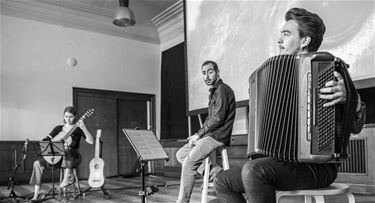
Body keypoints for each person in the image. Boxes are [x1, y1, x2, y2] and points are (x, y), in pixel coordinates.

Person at [213, 8, 366, 203]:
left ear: (304, 41)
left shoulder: (327, 71)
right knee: (222, 181)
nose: (279, 40)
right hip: (280, 162)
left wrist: (351, 99)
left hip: (318, 166)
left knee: (254, 171)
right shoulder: (273, 74)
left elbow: (356, 125)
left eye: (286, 34)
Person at [176, 60, 236, 203]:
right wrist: (198, 135)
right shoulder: (214, 92)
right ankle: (215, 171)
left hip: (217, 136)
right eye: (204, 73)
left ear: (217, 72)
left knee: (189, 163)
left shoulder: (222, 90)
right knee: (181, 154)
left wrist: (199, 135)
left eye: (210, 71)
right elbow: (211, 118)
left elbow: (217, 119)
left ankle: (183, 201)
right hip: (209, 135)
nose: (207, 76)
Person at [29, 106, 93, 202]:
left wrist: (84, 128)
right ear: (63, 116)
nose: (68, 119)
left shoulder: (78, 129)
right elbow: (47, 139)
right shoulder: (58, 128)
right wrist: (50, 142)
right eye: (66, 116)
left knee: (67, 149)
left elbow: (91, 141)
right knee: (37, 163)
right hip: (57, 158)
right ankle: (36, 194)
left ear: (75, 117)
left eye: (71, 116)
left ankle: (67, 178)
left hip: (73, 158)